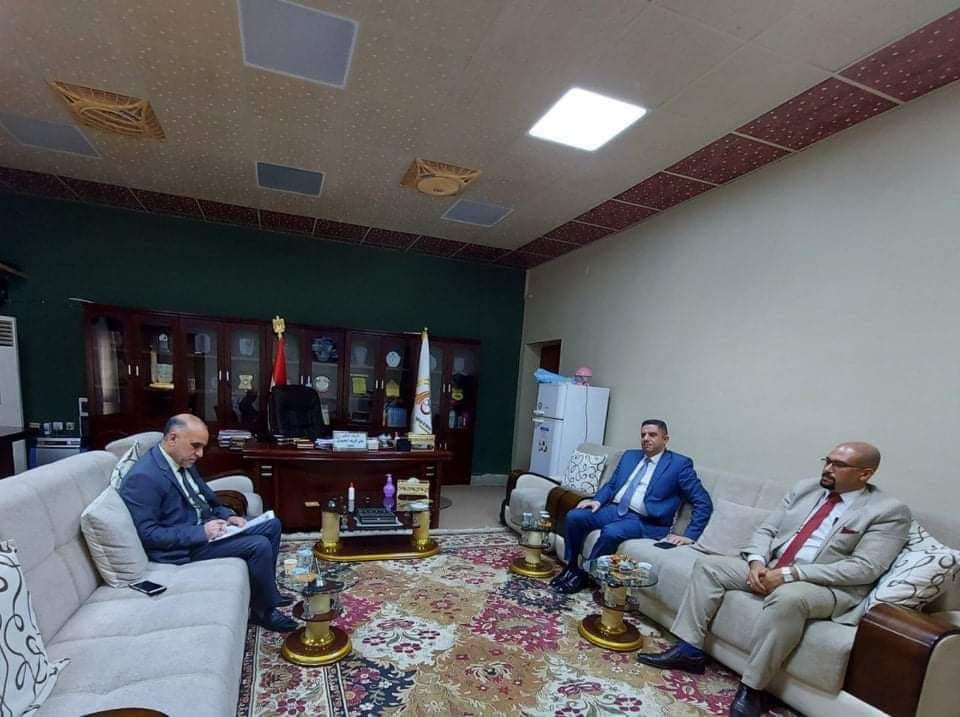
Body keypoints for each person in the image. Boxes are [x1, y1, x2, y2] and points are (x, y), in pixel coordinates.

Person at [637, 441, 910, 717]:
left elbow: (864, 568)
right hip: (774, 566)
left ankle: (753, 688)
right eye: (827, 461)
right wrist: (756, 562)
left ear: (865, 474)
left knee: (787, 598)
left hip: (824, 585)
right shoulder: (806, 489)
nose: (828, 469)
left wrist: (791, 574)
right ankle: (689, 650)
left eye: (838, 465)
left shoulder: (888, 511)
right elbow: (767, 530)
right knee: (709, 567)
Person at [120, 414, 297, 633]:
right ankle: (264, 611)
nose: (200, 454)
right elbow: (148, 534)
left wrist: (228, 515)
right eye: (195, 446)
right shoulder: (144, 477)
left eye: (202, 447)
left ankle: (268, 591)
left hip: (210, 528)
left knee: (272, 525)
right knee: (258, 545)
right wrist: (201, 533)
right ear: (173, 438)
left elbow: (209, 499)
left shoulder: (181, 459)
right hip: (185, 547)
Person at [550, 420, 712, 594]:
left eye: (652, 435)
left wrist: (689, 536)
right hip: (615, 509)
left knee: (612, 532)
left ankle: (586, 574)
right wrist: (597, 501)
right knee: (575, 516)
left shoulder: (679, 465)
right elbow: (612, 485)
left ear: (665, 439)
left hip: (645, 521)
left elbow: (703, 502)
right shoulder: (630, 456)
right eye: (643, 435)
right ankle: (572, 567)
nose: (646, 438)